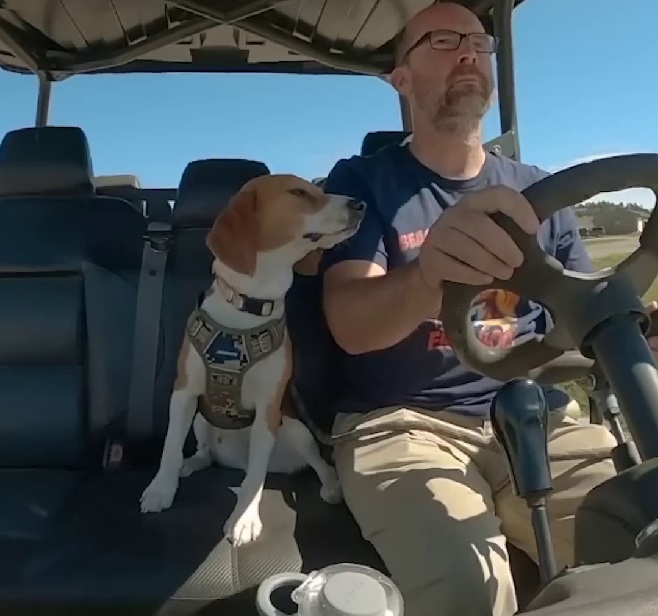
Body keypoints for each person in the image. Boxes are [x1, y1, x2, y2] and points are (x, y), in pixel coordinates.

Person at [318, 3, 658, 616]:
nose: (469, 51)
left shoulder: (539, 188)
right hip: (405, 426)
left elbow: (585, 308)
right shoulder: (361, 183)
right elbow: (350, 323)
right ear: (399, 77)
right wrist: (427, 274)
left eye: (478, 40)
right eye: (443, 40)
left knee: (640, 549)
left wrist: (637, 328)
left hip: (537, 412)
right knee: (466, 596)